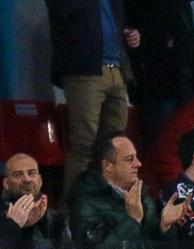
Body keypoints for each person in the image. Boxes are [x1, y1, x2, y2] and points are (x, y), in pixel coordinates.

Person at [47, 0, 132, 193]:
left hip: (116, 69)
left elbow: (115, 23)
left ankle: (110, 207)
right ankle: (75, 212)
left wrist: (127, 35)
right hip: (84, 72)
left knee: (116, 146)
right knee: (84, 144)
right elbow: (62, 10)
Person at [124, 0, 194, 139]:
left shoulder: (181, 4)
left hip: (188, 80)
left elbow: (190, 38)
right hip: (157, 85)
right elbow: (130, 32)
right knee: (161, 140)